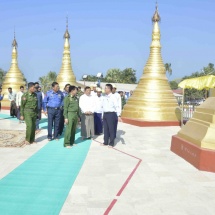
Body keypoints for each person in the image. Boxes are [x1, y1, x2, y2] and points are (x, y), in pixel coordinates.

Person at [102, 84, 121, 148]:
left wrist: (118, 115)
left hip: (111, 114)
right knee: (105, 129)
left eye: (106, 88)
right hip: (105, 114)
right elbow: (103, 107)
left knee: (111, 129)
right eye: (105, 88)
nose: (105, 89)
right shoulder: (105, 97)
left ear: (109, 89)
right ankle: (105, 142)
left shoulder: (113, 97)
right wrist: (102, 115)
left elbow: (117, 106)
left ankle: (111, 143)